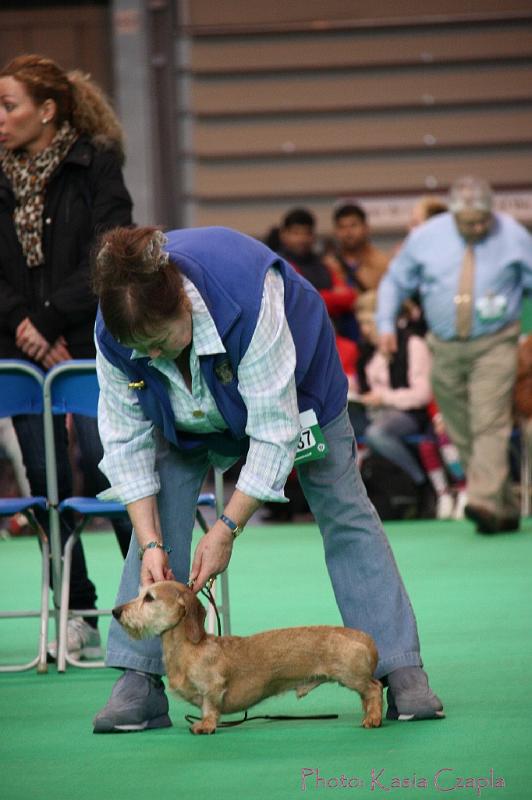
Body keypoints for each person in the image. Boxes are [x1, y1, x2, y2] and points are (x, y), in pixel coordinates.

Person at [90, 224, 444, 732]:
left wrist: (227, 527)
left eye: (158, 340)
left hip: (295, 398)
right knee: (159, 527)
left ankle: (400, 665)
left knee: (344, 509)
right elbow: (125, 445)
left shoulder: (250, 298)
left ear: (183, 308)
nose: (151, 356)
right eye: (139, 348)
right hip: (183, 417)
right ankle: (138, 681)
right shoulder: (114, 330)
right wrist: (149, 544)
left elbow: (274, 434)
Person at [0, 54, 134, 657]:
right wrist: (26, 327)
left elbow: (112, 254)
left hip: (87, 339)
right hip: (19, 347)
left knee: (115, 468)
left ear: (47, 111)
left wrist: (50, 319)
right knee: (45, 480)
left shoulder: (96, 164)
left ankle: (144, 601)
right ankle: (75, 608)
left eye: (9, 106)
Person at [377, 175, 532, 534]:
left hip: (494, 342)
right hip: (444, 346)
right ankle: (503, 505)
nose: (477, 226)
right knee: (459, 423)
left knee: (488, 419)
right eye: (469, 221)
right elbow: (396, 281)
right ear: (454, 214)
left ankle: (481, 500)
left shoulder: (513, 236)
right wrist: (385, 323)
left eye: (482, 220)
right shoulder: (427, 237)